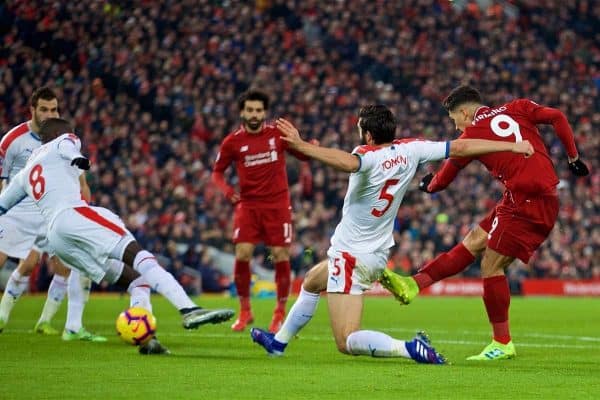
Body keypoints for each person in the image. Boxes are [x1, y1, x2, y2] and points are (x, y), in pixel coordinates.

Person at [250, 105, 534, 363]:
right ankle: (279, 343)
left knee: (346, 340)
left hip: (351, 256)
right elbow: (462, 147)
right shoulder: (413, 149)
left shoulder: (366, 156)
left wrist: (301, 146)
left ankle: (409, 348)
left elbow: (347, 163)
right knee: (312, 281)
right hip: (376, 255)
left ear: (369, 135)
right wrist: (510, 146)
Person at [379, 85, 589, 361]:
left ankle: (502, 342)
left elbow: (442, 180)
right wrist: (573, 158)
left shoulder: (472, 137)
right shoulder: (518, 106)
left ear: (465, 112)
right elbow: (558, 117)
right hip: (527, 197)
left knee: (491, 264)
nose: (456, 128)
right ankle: (414, 284)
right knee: (474, 242)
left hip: (527, 202)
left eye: (455, 120)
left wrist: (427, 186)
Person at [0, 118, 235, 354]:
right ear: (62, 133)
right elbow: (68, 147)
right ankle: (188, 309)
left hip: (57, 239)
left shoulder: (26, 171)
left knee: (137, 281)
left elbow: (3, 204)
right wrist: (78, 158)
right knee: (142, 257)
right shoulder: (64, 140)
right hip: (74, 215)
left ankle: (146, 341)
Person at [0, 87, 104, 341]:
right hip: (17, 211)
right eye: (44, 109)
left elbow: (81, 182)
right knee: (22, 264)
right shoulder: (12, 141)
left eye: (54, 109)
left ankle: (46, 322)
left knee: (64, 266)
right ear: (32, 110)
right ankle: (2, 317)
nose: (49, 114)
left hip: (51, 213)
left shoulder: (64, 139)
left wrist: (84, 209)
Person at [211, 89, 310, 333]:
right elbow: (217, 172)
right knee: (242, 253)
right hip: (248, 205)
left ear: (264, 112)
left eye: (258, 110)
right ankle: (245, 311)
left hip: (277, 205)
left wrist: (306, 145)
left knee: (280, 256)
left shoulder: (277, 134)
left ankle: (279, 314)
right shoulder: (232, 142)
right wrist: (227, 191)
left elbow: (301, 153)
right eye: (250, 110)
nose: (254, 114)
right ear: (242, 112)